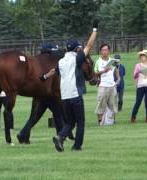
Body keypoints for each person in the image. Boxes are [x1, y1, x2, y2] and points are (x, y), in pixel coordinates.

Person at [41, 19, 99, 152]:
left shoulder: (61, 61)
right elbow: (89, 45)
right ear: (76, 49)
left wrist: (44, 77)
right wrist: (95, 30)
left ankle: (60, 137)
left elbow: (53, 71)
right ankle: (77, 146)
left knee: (69, 122)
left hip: (64, 97)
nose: (80, 49)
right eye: (79, 47)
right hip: (75, 96)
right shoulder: (77, 58)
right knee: (80, 122)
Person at [94, 43, 120, 125]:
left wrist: (117, 81)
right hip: (102, 85)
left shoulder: (113, 61)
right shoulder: (98, 62)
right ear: (100, 51)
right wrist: (103, 71)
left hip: (112, 86)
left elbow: (117, 73)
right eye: (103, 50)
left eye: (106, 50)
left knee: (113, 104)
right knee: (101, 104)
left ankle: (112, 121)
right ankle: (100, 121)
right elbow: (95, 73)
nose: (104, 52)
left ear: (109, 51)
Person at [130, 50, 147, 123]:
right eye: (141, 56)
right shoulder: (138, 65)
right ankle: (133, 117)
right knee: (138, 102)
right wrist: (138, 72)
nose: (142, 57)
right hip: (140, 85)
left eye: (144, 56)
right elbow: (134, 76)